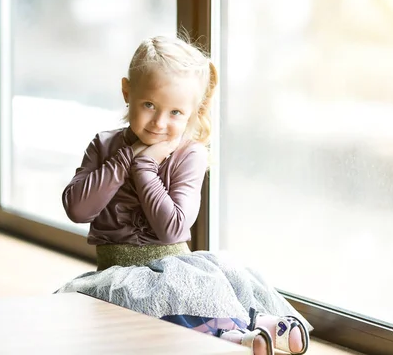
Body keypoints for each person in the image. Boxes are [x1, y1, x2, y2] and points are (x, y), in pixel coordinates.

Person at [55, 35, 311, 355]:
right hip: (116, 273)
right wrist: (125, 159)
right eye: (149, 105)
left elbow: (173, 229)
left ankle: (258, 325)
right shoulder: (104, 145)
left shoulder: (190, 154)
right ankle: (240, 334)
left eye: (176, 112)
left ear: (192, 112)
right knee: (151, 312)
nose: (159, 122)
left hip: (173, 264)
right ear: (127, 92)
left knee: (195, 291)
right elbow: (78, 209)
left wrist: (145, 167)